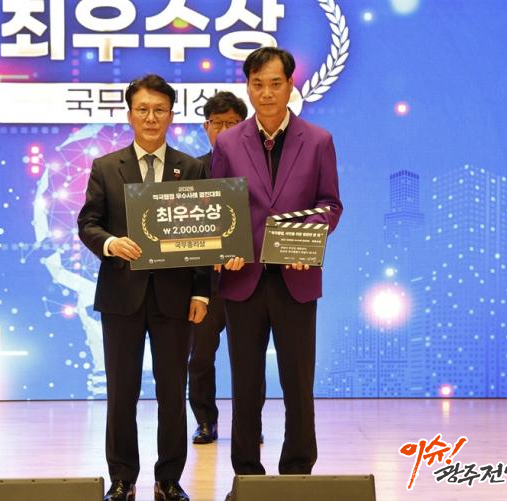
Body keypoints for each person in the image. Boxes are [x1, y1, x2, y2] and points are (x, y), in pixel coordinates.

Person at [210, 47, 343, 483]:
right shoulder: (228, 142)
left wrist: (308, 238)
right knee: (246, 386)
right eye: (257, 84)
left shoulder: (318, 140)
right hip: (243, 279)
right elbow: (218, 206)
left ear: (290, 86)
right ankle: (247, 477)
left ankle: (298, 474)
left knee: (298, 384)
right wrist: (222, 247)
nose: (266, 93)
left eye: (275, 83)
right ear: (247, 88)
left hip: (295, 280)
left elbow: (330, 204)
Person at [77, 74, 209, 501]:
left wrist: (201, 292)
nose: (151, 118)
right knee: (121, 393)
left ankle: (168, 480)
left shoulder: (191, 168)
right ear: (130, 114)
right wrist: (110, 244)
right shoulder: (106, 166)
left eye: (159, 110)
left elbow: (203, 236)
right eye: (143, 110)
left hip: (176, 299)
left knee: (173, 394)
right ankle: (122, 479)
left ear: (171, 115)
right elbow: (88, 223)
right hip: (122, 296)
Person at [188, 92, 249, 445]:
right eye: (217, 123)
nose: (224, 130)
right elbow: (180, 227)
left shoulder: (258, 169)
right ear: (205, 127)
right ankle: (205, 422)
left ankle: (249, 424)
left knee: (248, 359)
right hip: (203, 283)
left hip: (247, 277)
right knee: (199, 357)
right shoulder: (192, 170)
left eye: (232, 123)